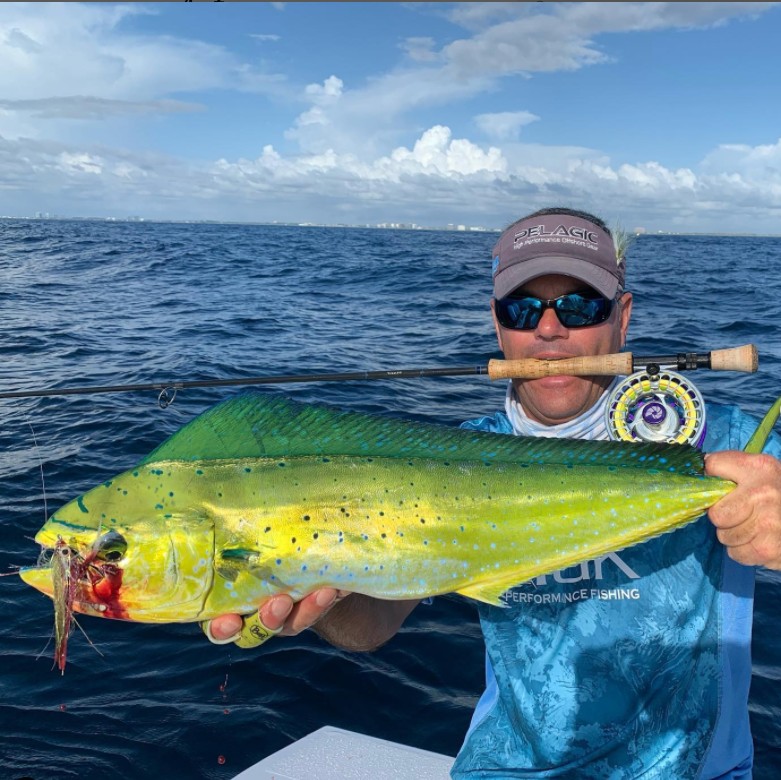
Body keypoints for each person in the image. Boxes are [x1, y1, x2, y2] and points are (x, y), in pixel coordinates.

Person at [206, 207, 781, 777]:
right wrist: (311, 582)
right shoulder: (450, 460)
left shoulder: (728, 444)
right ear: (497, 322)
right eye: (522, 308)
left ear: (622, 317)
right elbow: (368, 630)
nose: (549, 330)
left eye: (581, 306)